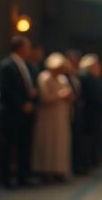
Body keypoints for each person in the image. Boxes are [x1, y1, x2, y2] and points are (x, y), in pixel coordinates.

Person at [0, 36, 39, 189]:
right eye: (27, 47)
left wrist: (32, 98)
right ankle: (6, 178)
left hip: (27, 113)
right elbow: (6, 89)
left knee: (24, 145)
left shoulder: (28, 65)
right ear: (20, 48)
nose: (29, 50)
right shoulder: (6, 65)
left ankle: (23, 176)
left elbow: (30, 86)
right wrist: (21, 104)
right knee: (9, 146)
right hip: (13, 112)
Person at [32, 53, 75, 181]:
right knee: (48, 144)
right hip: (48, 117)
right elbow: (44, 97)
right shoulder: (44, 77)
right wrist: (60, 95)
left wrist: (69, 97)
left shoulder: (62, 79)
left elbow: (69, 94)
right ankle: (46, 171)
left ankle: (59, 170)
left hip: (61, 116)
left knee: (60, 144)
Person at [78, 54, 102, 169]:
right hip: (88, 114)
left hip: (95, 113)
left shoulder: (95, 78)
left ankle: (94, 160)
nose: (99, 67)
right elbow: (94, 96)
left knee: (94, 139)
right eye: (96, 65)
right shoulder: (85, 77)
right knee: (87, 140)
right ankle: (87, 163)